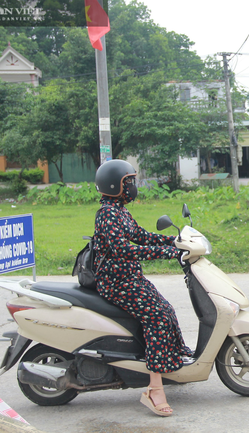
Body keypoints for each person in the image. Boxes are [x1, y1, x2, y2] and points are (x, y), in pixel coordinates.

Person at [93, 159, 193, 417]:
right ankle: (154, 389)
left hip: (130, 278)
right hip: (116, 282)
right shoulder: (107, 213)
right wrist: (167, 253)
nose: (133, 187)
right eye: (129, 182)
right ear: (115, 185)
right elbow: (124, 249)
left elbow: (140, 235)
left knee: (167, 309)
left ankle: (174, 361)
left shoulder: (120, 210)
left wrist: (176, 239)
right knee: (157, 318)